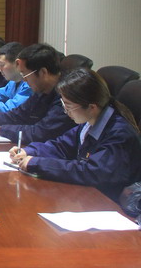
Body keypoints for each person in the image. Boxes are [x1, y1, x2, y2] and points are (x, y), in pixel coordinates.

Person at [9, 68, 141, 200]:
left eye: (68, 106)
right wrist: (30, 151)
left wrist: (38, 163)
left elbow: (92, 172)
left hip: (110, 202)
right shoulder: (89, 122)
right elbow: (62, 145)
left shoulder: (119, 133)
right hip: (88, 195)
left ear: (92, 107)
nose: (66, 111)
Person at [0, 43, 76, 144]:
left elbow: (41, 132)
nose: (24, 79)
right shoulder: (42, 90)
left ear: (43, 72)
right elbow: (17, 115)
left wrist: (2, 130)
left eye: (25, 74)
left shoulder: (67, 95)